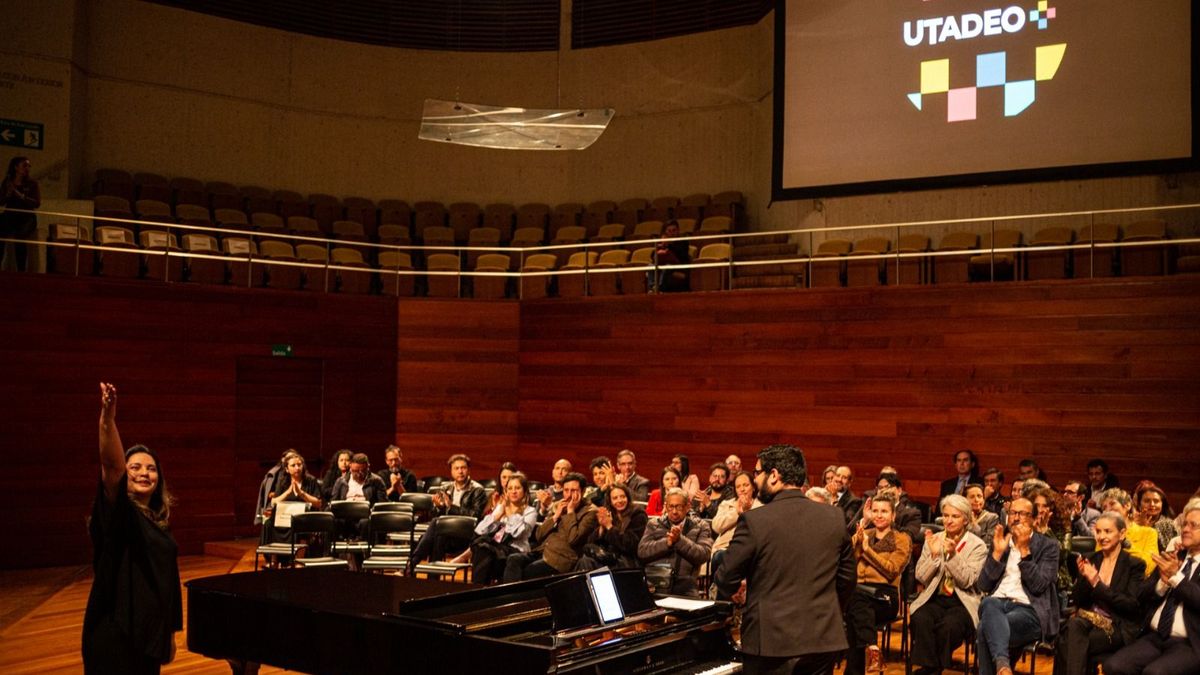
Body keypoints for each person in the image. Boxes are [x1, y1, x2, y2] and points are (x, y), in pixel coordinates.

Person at [715, 444, 856, 675]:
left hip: (770, 642)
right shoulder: (834, 516)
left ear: (774, 475)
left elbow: (726, 575)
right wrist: (825, 610)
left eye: (758, 472)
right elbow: (847, 579)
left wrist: (738, 590)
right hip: (822, 639)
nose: (755, 480)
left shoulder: (755, 521)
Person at [83, 383, 182, 674]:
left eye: (151, 468)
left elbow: (168, 582)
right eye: (135, 467)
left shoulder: (159, 523)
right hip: (115, 634)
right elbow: (112, 467)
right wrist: (107, 419)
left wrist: (171, 633)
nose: (143, 473)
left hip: (150, 636)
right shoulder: (119, 515)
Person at [1103, 501, 1200, 675]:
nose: (1185, 529)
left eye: (1193, 525)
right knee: (1113, 666)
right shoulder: (1174, 556)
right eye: (1185, 524)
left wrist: (1176, 578)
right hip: (1155, 636)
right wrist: (1162, 584)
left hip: (1190, 642)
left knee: (1154, 673)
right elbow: (1141, 593)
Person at [975, 497, 1061, 675]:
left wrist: (1024, 552)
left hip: (1029, 610)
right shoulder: (1001, 542)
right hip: (997, 606)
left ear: (1034, 519)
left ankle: (1002, 665)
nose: (1015, 518)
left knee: (985, 628)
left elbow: (1039, 586)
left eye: (1022, 514)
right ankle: (1003, 667)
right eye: (1012, 513)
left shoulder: (1049, 546)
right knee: (989, 602)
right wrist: (997, 555)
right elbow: (983, 585)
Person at [1052, 512, 1146, 675]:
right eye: (1098, 531)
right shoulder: (1091, 558)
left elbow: (1130, 605)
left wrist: (1096, 583)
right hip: (1087, 620)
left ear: (1122, 533)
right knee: (1074, 628)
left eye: (1108, 531)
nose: (1102, 536)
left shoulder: (1134, 565)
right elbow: (1077, 600)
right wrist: (1084, 579)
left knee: (1067, 642)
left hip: (1117, 625)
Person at [909, 494, 988, 675]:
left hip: (962, 601)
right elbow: (921, 576)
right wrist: (935, 556)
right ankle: (933, 669)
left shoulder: (978, 546)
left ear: (966, 519)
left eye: (955, 516)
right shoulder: (934, 539)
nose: (949, 520)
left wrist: (952, 556)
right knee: (920, 617)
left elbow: (967, 580)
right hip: (935, 597)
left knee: (949, 627)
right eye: (945, 515)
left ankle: (930, 670)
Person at [844, 493, 912, 675]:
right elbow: (845, 558)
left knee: (854, 607)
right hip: (859, 597)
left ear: (893, 515)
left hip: (885, 597)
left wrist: (867, 550)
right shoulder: (864, 533)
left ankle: (858, 666)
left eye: (884, 511)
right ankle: (872, 648)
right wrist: (862, 527)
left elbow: (892, 569)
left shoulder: (901, 539)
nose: (879, 515)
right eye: (875, 511)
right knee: (856, 609)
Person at [504, 472, 598, 580]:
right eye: (566, 490)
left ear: (583, 491)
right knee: (513, 559)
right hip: (542, 551)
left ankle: (518, 597)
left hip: (560, 559)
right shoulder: (560, 505)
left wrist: (570, 512)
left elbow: (574, 539)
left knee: (527, 572)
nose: (569, 495)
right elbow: (539, 534)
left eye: (574, 490)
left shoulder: (590, 512)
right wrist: (555, 516)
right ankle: (509, 597)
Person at [638, 488, 714, 597]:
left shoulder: (701, 526)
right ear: (666, 506)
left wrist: (679, 540)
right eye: (671, 506)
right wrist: (667, 543)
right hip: (655, 583)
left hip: (685, 586)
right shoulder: (654, 524)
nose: (674, 511)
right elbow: (642, 552)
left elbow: (703, 555)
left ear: (687, 506)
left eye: (679, 506)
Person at [465, 473, 538, 585]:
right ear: (506, 492)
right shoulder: (501, 507)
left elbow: (517, 534)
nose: (513, 491)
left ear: (525, 491)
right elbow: (480, 530)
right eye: (510, 488)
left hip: (516, 550)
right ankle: (479, 588)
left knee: (483, 550)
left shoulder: (530, 511)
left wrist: (509, 514)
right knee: (481, 546)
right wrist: (496, 516)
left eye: (517, 488)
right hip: (496, 550)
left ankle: (477, 588)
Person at [576, 483, 648, 571]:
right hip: (607, 557)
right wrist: (602, 528)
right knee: (584, 561)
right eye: (615, 498)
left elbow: (630, 545)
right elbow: (591, 542)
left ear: (628, 498)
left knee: (587, 564)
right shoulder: (608, 513)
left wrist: (609, 526)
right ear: (610, 501)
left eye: (622, 496)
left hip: (626, 560)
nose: (619, 500)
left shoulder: (638, 515)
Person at [1100, 489, 1158, 575]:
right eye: (1104, 507)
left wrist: (1124, 544)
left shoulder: (1149, 533)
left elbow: (1147, 566)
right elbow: (1102, 565)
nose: (1108, 509)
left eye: (1112, 504)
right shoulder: (1102, 535)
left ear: (1127, 505)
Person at [0, 156, 41, 272]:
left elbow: (36, 203)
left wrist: (21, 196)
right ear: (16, 167)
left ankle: (21, 270)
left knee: (20, 236)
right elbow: (1, 201)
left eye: (29, 166)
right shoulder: (7, 182)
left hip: (26, 217)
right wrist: (7, 194)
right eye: (24, 165)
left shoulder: (32, 184)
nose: (27, 168)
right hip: (11, 215)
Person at [1133, 481, 1180, 553]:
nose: (1152, 504)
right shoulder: (1132, 524)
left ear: (1162, 504)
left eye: (1156, 501)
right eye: (1147, 501)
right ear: (1139, 505)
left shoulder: (1168, 524)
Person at [652, 220, 691, 292]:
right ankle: (651, 288)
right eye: (669, 231)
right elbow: (652, 256)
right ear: (665, 232)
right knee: (650, 266)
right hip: (665, 266)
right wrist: (662, 246)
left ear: (678, 231)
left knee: (667, 268)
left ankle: (659, 289)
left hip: (679, 267)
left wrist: (669, 245)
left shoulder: (683, 242)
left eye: (674, 230)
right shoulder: (663, 243)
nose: (672, 233)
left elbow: (681, 254)